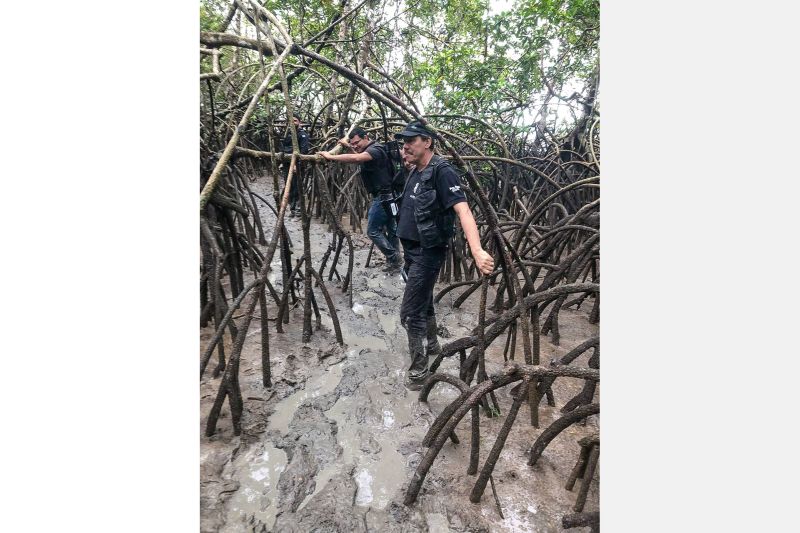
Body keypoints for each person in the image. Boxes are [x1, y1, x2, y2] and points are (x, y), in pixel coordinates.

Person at [393, 121, 494, 390]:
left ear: (427, 142)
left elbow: (463, 211)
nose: (405, 147)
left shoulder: (443, 171)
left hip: (428, 252)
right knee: (422, 299)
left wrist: (477, 250)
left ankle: (419, 373)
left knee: (409, 313)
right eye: (404, 143)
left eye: (410, 142)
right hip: (412, 250)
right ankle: (433, 344)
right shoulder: (416, 169)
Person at [318, 127, 403, 271]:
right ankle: (394, 262)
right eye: (353, 144)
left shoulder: (375, 150)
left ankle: (394, 257)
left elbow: (357, 158)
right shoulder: (372, 149)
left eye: (357, 142)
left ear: (366, 137)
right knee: (391, 228)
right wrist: (347, 146)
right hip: (389, 195)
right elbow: (359, 157)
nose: (355, 146)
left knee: (373, 231)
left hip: (383, 197)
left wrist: (330, 156)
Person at [281, 112, 311, 217]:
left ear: (299, 122)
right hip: (286, 164)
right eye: (291, 121)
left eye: (295, 121)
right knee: (289, 186)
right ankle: (292, 209)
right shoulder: (288, 134)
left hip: (296, 165)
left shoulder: (303, 135)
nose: (292, 123)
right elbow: (284, 148)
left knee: (297, 187)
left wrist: (296, 165)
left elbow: (303, 151)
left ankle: (298, 210)